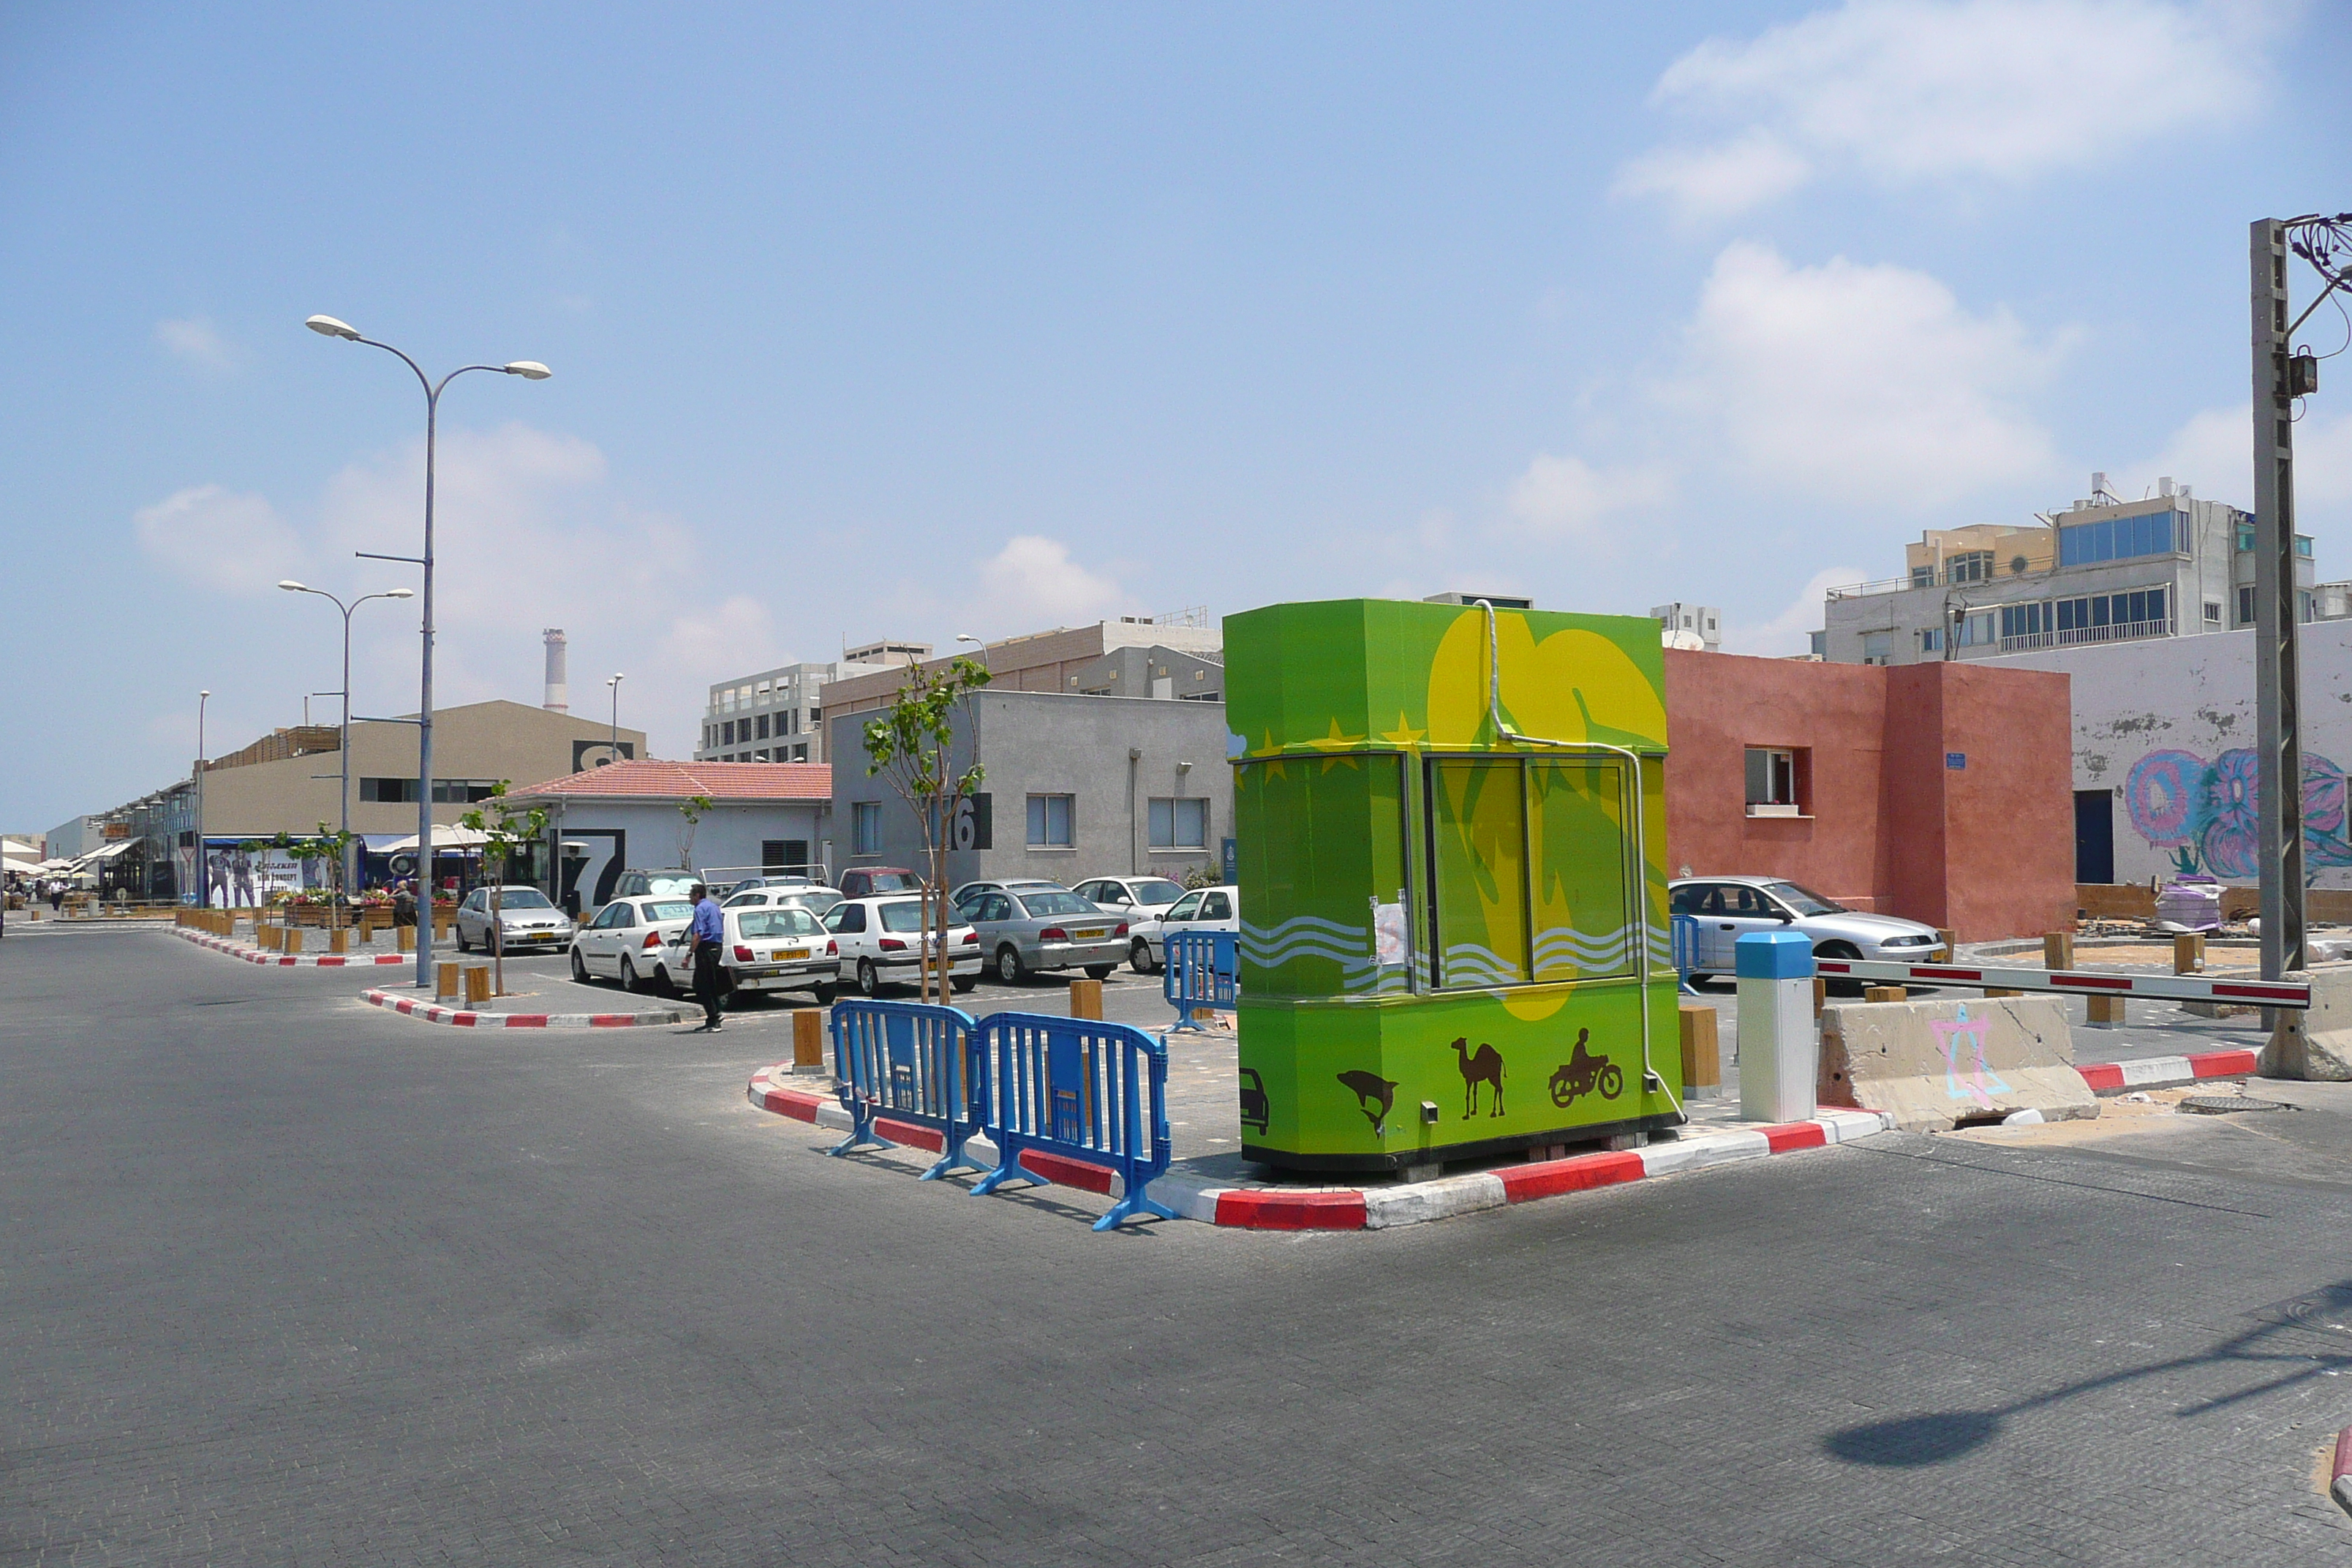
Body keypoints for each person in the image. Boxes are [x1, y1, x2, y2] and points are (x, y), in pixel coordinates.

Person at [688, 881, 725, 1031]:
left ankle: (715, 1016)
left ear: (697, 896)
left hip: (706, 948)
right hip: (717, 946)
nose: (689, 899)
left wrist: (689, 953)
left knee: (701, 984)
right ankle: (713, 1016)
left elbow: (698, 933)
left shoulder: (700, 909)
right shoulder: (714, 907)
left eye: (690, 896)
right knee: (709, 982)